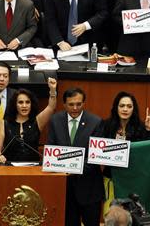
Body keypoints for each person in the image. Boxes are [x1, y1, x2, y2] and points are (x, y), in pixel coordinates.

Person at [47, 88, 104, 225]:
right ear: (64, 104)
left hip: (89, 188)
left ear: (84, 103)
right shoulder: (55, 120)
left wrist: (72, 168)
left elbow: (95, 157)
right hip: (65, 189)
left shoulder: (96, 122)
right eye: (71, 104)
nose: (75, 108)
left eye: (79, 104)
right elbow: (51, 148)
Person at [101, 91, 150, 214]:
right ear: (116, 107)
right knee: (112, 214)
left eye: (129, 106)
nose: (125, 109)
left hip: (132, 179)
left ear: (133, 109)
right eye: (122, 106)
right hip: (111, 178)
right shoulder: (106, 125)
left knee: (130, 215)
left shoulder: (141, 126)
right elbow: (99, 150)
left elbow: (147, 153)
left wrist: (148, 130)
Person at [0, 77, 57, 163]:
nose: (24, 105)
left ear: (31, 104)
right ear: (15, 105)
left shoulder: (37, 121)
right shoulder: (4, 124)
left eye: (27, 102)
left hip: (33, 168)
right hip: (9, 167)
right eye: (20, 102)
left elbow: (51, 107)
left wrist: (52, 90)